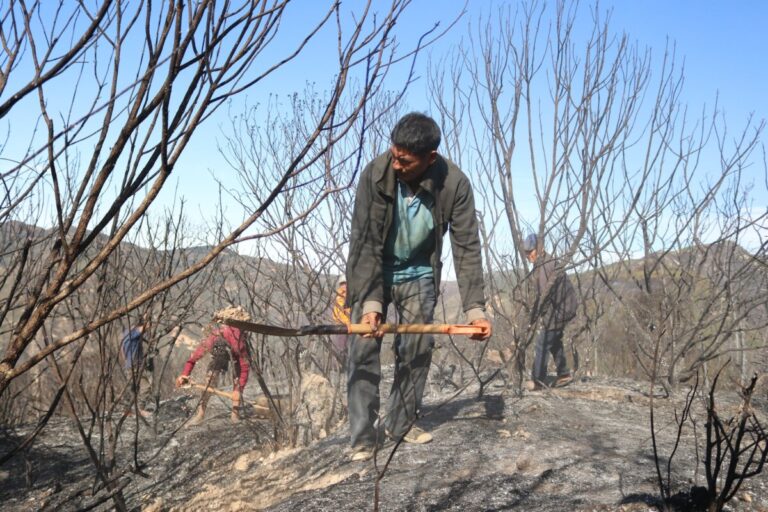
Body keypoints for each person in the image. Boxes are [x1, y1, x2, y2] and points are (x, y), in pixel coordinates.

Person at [345, 112, 492, 461]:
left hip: (419, 272)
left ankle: (400, 423)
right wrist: (370, 305)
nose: (395, 164)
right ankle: (363, 438)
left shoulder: (454, 184)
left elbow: (467, 245)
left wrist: (475, 308)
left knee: (416, 349)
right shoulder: (376, 173)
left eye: (405, 161)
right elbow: (363, 242)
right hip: (374, 270)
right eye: (393, 154)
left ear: (431, 158)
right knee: (364, 349)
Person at [522, 233, 578, 391]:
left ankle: (538, 381)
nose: (528, 255)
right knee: (554, 341)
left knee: (543, 342)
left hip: (561, 309)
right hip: (560, 308)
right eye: (526, 252)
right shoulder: (543, 264)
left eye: (530, 251)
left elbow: (543, 297)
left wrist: (536, 318)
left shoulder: (546, 267)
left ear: (539, 249)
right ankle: (564, 373)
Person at [175, 310, 251, 425]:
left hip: (237, 348)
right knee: (210, 380)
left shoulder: (238, 344)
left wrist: (238, 391)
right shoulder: (210, 341)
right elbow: (192, 360)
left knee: (237, 381)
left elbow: (244, 369)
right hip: (222, 346)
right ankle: (200, 414)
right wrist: (184, 374)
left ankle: (235, 414)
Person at [120, 315, 153, 417]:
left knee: (132, 388)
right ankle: (141, 409)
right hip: (135, 364)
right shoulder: (134, 332)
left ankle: (126, 410)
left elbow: (122, 350)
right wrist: (148, 319)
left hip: (129, 364)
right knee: (146, 387)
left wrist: (127, 360)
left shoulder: (126, 333)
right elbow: (144, 328)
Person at [331, 275, 352, 368]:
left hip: (352, 325)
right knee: (341, 348)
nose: (344, 285)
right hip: (341, 325)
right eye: (342, 284)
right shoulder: (338, 297)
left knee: (353, 348)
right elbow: (337, 313)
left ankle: (349, 366)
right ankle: (340, 367)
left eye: (346, 283)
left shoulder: (352, 295)